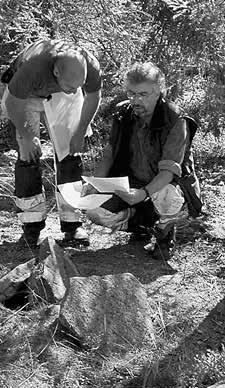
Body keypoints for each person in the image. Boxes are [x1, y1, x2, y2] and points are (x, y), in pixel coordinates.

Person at [84, 62, 202, 260]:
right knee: (94, 211)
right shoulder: (123, 114)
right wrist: (95, 184)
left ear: (158, 92)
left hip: (166, 184)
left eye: (143, 94)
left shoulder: (176, 120)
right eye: (131, 93)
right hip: (130, 183)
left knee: (168, 196)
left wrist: (143, 193)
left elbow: (169, 172)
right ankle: (142, 226)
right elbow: (109, 154)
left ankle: (165, 234)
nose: (135, 100)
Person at [0, 39, 102, 247]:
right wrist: (27, 137)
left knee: (70, 154)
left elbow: (92, 96)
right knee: (27, 157)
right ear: (56, 72)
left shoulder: (87, 67)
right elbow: (12, 102)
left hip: (59, 95)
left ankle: (73, 225)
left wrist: (80, 131)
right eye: (71, 86)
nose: (75, 91)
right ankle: (31, 226)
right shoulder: (34, 67)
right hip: (26, 96)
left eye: (78, 86)